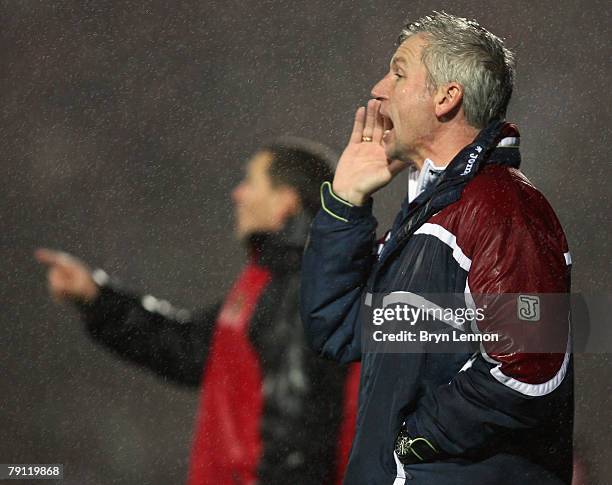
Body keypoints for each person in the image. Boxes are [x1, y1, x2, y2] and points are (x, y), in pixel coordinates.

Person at [300, 12, 573, 485]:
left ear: (447, 97)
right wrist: (346, 202)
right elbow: (338, 327)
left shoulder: (503, 207)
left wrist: (415, 442)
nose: (379, 88)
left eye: (399, 72)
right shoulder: (434, 217)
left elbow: (530, 363)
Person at [36, 138, 358, 485]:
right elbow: (192, 349)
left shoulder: (299, 286)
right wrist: (97, 298)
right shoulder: (269, 281)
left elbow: (298, 439)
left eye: (251, 182)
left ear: (286, 202)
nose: (238, 194)